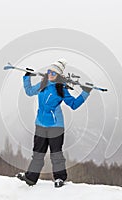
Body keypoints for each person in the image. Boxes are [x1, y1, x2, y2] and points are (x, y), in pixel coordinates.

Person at [16, 59, 92, 188]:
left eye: (54, 73)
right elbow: (29, 91)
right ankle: (30, 178)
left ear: (58, 75)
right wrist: (27, 76)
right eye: (49, 71)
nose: (51, 74)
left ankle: (59, 178)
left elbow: (73, 104)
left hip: (56, 126)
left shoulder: (61, 89)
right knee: (38, 153)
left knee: (56, 154)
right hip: (40, 124)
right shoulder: (42, 84)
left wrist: (85, 92)